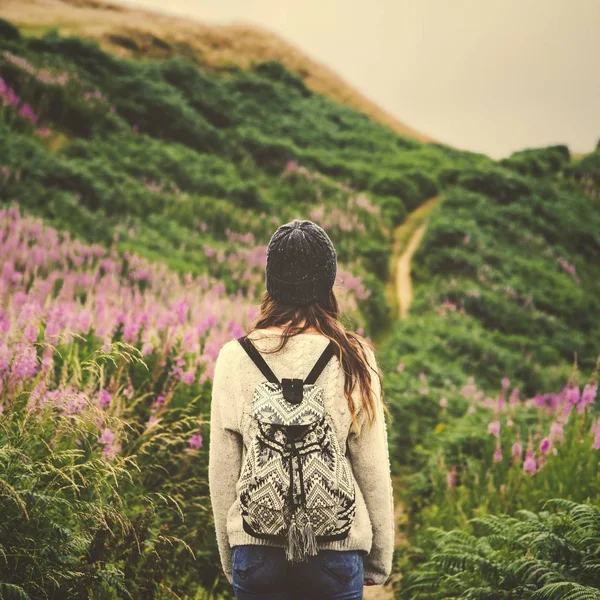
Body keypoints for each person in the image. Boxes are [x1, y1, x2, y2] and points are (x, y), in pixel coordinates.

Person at [208, 219, 395, 599]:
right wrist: (378, 558)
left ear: (271, 284)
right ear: (328, 283)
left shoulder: (234, 357)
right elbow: (371, 465)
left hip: (256, 549)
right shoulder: (355, 357)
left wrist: (233, 556)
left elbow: (223, 468)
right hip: (335, 549)